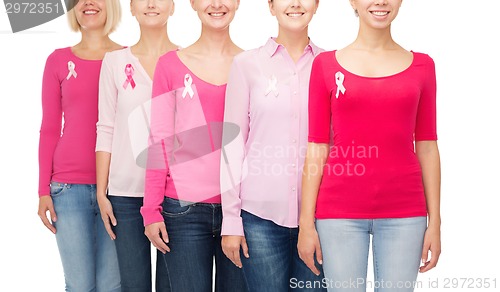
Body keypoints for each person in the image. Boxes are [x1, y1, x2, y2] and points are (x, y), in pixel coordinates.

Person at [298, 0, 441, 291]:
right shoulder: (325, 66)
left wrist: (435, 222)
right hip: (338, 213)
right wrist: (306, 224)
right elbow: (317, 147)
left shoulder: (423, 66)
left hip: (406, 214)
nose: (380, 2)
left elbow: (427, 146)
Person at [141, 0, 247, 291]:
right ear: (192, 4)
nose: (216, 4)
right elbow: (159, 139)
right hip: (182, 211)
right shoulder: (170, 65)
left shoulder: (252, 65)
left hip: (241, 212)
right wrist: (151, 209)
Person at [220, 0, 326, 291]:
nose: (295, 4)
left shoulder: (331, 65)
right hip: (260, 220)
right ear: (271, 6)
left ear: (317, 5)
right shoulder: (246, 65)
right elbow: (232, 145)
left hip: (319, 219)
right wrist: (230, 220)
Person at [37, 0, 123, 290]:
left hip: (118, 189)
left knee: (112, 285)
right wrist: (42, 191)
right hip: (67, 189)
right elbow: (49, 128)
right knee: (80, 285)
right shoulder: (58, 60)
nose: (88, 2)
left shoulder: (128, 58)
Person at [96, 0, 178, 291]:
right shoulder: (115, 62)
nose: (151, 4)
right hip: (125, 195)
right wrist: (101, 191)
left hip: (174, 196)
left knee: (172, 285)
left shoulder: (187, 60)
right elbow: (105, 127)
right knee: (133, 285)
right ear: (131, 7)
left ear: (173, 7)